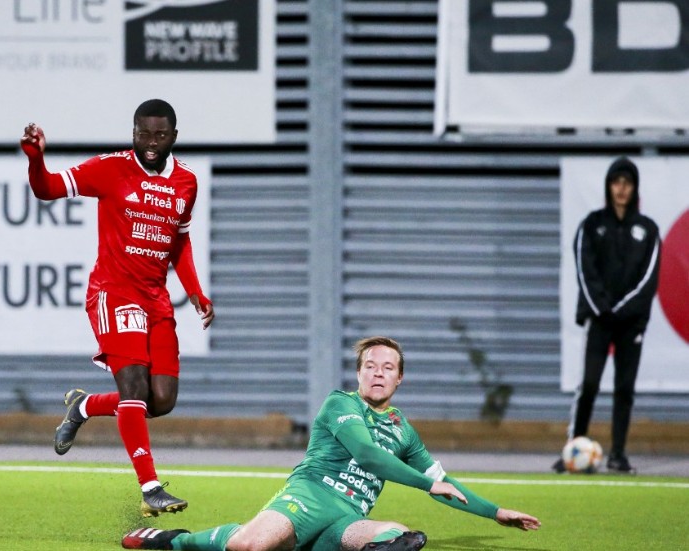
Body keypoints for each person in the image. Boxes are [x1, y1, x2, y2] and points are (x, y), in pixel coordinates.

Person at [122, 336, 541, 551]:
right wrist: (427, 484)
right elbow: (368, 455)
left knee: (399, 538)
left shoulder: (403, 429)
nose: (378, 373)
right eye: (370, 366)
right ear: (359, 374)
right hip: (310, 497)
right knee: (250, 545)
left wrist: (496, 512)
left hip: (348, 517)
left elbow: (444, 483)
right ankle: (175, 540)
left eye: (388, 367)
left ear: (400, 379)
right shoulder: (341, 403)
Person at [20, 99, 215, 516]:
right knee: (134, 389)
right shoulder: (110, 168)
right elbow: (46, 188)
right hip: (114, 292)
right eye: (143, 134)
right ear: (133, 133)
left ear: (173, 137)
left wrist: (196, 291)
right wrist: (36, 159)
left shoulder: (186, 181)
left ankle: (83, 406)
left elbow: (179, 242)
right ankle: (151, 488)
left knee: (161, 401)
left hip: (156, 299)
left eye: (160, 135)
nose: (151, 142)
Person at [554, 156, 661, 475]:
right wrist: (603, 309)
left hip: (631, 323)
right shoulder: (591, 225)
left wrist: (623, 310)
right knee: (588, 384)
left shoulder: (648, 229)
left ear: (635, 188)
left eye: (627, 183)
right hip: (599, 320)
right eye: (616, 182)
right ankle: (573, 448)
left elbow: (648, 279)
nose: (621, 189)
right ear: (608, 186)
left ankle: (618, 455)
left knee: (624, 388)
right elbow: (585, 272)